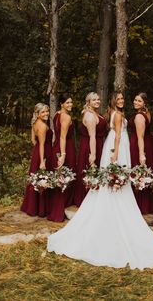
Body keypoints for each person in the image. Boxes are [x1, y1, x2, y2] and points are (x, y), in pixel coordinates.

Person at [47, 91, 153, 270]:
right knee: (116, 175)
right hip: (117, 145)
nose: (122, 101)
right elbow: (116, 135)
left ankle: (116, 193)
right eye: (120, 99)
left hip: (116, 144)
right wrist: (115, 152)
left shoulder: (112, 113)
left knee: (115, 177)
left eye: (124, 98)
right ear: (115, 101)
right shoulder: (118, 114)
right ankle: (115, 199)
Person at [47, 93, 76, 222]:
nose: (70, 105)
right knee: (64, 177)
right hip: (65, 148)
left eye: (71, 102)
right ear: (61, 104)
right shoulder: (66, 117)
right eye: (67, 103)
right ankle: (60, 208)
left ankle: (57, 206)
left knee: (60, 176)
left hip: (57, 146)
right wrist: (63, 155)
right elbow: (63, 136)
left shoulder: (57, 115)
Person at [73, 92, 107, 207]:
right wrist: (93, 154)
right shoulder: (90, 116)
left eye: (98, 99)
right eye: (94, 100)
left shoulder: (94, 113)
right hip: (91, 146)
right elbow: (92, 136)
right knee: (89, 171)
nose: (97, 101)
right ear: (88, 102)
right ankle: (86, 201)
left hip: (96, 144)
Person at [21, 103, 52, 217]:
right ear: (37, 114)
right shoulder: (43, 126)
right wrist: (42, 161)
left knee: (36, 180)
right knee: (42, 179)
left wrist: (36, 151)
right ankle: (41, 209)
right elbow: (42, 144)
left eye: (46, 111)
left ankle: (32, 206)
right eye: (43, 112)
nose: (46, 114)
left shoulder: (34, 123)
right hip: (43, 154)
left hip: (37, 152)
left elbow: (33, 140)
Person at [129, 92, 153, 214]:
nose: (136, 102)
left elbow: (140, 137)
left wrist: (141, 154)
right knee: (144, 174)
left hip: (139, 145)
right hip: (148, 144)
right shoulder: (147, 113)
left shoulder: (139, 116)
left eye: (139, 101)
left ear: (144, 103)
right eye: (135, 100)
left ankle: (139, 206)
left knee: (138, 173)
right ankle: (146, 206)